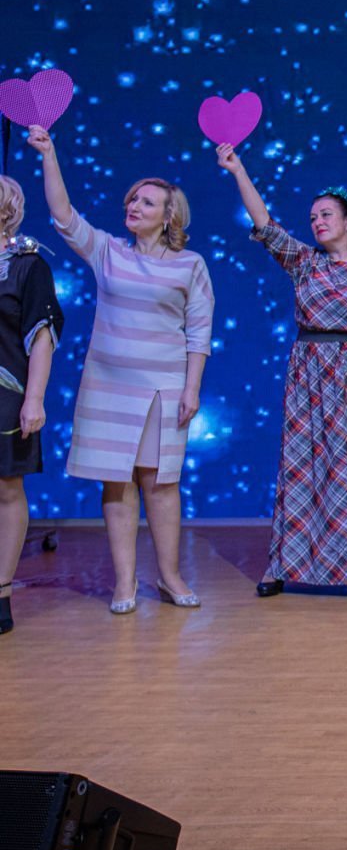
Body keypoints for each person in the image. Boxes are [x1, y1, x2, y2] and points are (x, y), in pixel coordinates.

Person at [30, 125, 213, 614]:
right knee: (117, 481)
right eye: (132, 199)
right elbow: (63, 216)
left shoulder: (190, 264)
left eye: (147, 202)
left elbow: (199, 332)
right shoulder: (107, 251)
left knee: (161, 482)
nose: (134, 206)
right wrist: (49, 153)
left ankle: (170, 577)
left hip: (164, 386)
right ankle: (125, 583)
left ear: (169, 215)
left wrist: (191, 389)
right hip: (109, 387)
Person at [218, 146, 347, 598]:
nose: (318, 222)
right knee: (304, 467)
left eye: (326, 214)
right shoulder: (306, 263)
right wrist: (238, 170)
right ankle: (283, 565)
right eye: (312, 217)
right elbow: (266, 226)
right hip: (312, 375)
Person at [0, 176, 63, 636]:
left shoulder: (28, 265)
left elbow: (41, 335)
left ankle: (1, 592)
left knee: (7, 489)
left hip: (7, 393)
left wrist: (35, 398)